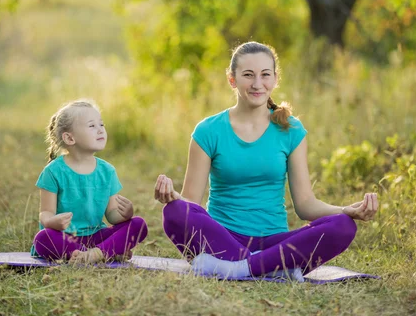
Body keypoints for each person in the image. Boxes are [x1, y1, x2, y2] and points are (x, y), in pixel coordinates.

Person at [154, 41, 378, 279]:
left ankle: (239, 268)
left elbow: (305, 205)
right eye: (248, 75)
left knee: (342, 226)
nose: (257, 84)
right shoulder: (208, 130)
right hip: (222, 237)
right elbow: (192, 205)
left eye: (265, 75)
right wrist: (172, 198)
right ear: (232, 79)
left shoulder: (291, 129)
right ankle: (269, 268)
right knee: (175, 212)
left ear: (275, 79)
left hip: (274, 242)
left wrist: (345, 210)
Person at [31, 99, 148, 264]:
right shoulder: (53, 172)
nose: (100, 130)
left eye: (102, 124)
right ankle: (107, 251)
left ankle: (94, 255)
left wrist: (125, 214)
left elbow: (112, 215)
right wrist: (52, 222)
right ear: (70, 138)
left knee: (138, 224)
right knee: (43, 238)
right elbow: (45, 213)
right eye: (92, 126)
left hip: (97, 238)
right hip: (67, 239)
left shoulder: (107, 171)